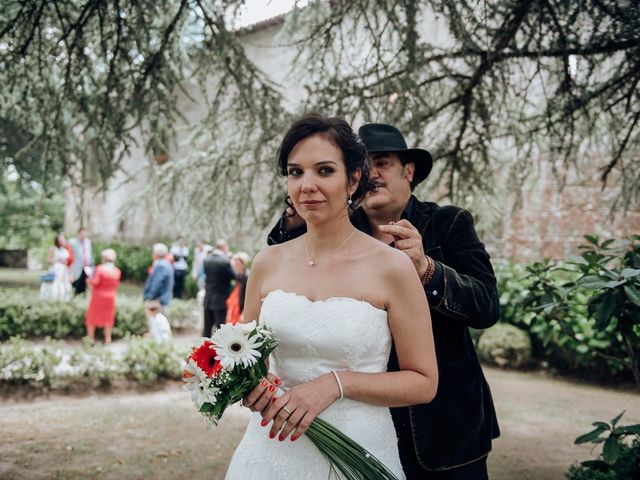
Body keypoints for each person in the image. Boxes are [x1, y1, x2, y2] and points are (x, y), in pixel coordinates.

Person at [268, 122, 501, 479]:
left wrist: (426, 270)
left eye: (384, 163)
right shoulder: (341, 230)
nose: (373, 174)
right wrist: (304, 196)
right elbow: (284, 264)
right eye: (367, 164)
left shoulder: (448, 223)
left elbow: (486, 305)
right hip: (364, 421)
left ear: (409, 170)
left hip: (445, 422)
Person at [226, 113, 438, 479]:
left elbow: (423, 382)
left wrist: (336, 384)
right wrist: (249, 388)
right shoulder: (267, 261)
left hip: (357, 449)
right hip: (269, 449)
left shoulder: (393, 267)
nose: (307, 185)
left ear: (353, 179)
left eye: (324, 171)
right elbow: (246, 356)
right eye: (296, 172)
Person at [84, 248, 121, 344]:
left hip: (99, 296)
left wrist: (89, 280)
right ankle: (108, 338)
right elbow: (116, 285)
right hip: (111, 297)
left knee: (92, 316)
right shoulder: (117, 271)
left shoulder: (100, 269)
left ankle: (90, 338)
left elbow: (95, 282)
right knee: (108, 317)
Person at [201, 240, 236, 337]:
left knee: (207, 328)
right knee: (220, 328)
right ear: (224, 247)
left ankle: (203, 348)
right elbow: (234, 276)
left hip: (208, 298)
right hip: (221, 299)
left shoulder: (206, 259)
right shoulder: (225, 261)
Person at [40, 233, 73, 301]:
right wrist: (57, 259)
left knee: (65, 286)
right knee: (54, 286)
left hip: (64, 270)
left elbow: (68, 263)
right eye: (61, 239)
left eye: (64, 238)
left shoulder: (66, 249)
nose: (63, 240)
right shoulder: (53, 248)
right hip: (56, 270)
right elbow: (48, 260)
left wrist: (70, 274)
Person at [143, 243, 174, 308]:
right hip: (163, 300)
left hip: (157, 302)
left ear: (156, 254)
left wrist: (149, 297)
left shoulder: (160, 266)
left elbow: (156, 284)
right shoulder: (167, 264)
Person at [225, 251, 251, 325]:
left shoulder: (247, 276)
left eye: (238, 264)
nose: (236, 267)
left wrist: (243, 312)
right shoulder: (239, 275)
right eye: (235, 265)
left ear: (243, 264)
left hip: (241, 306)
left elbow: (248, 296)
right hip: (236, 304)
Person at [69, 227, 94, 295]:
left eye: (85, 234)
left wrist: (92, 265)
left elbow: (90, 253)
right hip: (76, 266)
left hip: (87, 266)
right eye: (83, 233)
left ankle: (82, 295)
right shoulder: (72, 242)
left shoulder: (88, 242)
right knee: (76, 282)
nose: (84, 235)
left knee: (84, 283)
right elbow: (70, 254)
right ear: (79, 233)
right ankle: (74, 295)